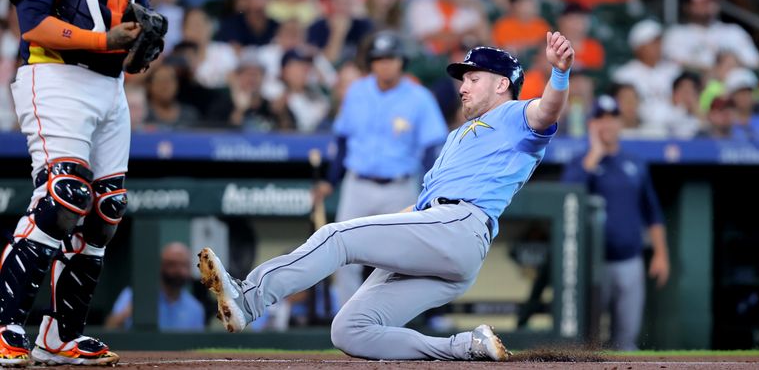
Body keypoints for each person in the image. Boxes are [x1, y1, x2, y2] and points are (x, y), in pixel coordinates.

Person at [198, 31, 575, 361]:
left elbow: (546, 111)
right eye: (463, 79)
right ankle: (465, 347)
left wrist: (559, 72)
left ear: (501, 84)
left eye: (473, 78)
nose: (462, 86)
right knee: (349, 330)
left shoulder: (512, 116)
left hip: (458, 225)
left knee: (336, 236)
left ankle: (249, 298)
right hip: (446, 240)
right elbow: (423, 206)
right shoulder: (460, 134)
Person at [0, 0, 150, 365]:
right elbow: (34, 23)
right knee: (63, 196)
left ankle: (60, 335)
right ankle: (5, 324)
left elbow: (135, 22)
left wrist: (141, 45)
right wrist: (105, 41)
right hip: (56, 76)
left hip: (110, 86)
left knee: (105, 209)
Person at [312, 31, 449, 305]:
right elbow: (342, 138)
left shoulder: (419, 97)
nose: (385, 64)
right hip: (357, 185)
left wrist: (433, 191)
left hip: (400, 187)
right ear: (371, 62)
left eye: (391, 58)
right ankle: (347, 324)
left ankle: (390, 321)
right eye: (379, 59)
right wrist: (331, 180)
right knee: (343, 255)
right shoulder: (357, 91)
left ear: (402, 61)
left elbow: (433, 149)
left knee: (402, 259)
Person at [561, 95, 670, 351]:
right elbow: (567, 197)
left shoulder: (634, 162)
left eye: (612, 119)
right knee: (588, 339)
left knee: (626, 339)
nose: (607, 125)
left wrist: (661, 254)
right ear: (591, 124)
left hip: (629, 260)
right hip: (591, 264)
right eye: (600, 119)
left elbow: (652, 212)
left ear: (620, 123)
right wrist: (595, 154)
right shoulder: (580, 162)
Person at [105, 242, 205, 331]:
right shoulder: (133, 295)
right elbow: (110, 328)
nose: (179, 271)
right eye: (172, 264)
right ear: (160, 266)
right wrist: (129, 311)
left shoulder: (195, 308)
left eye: (184, 265)